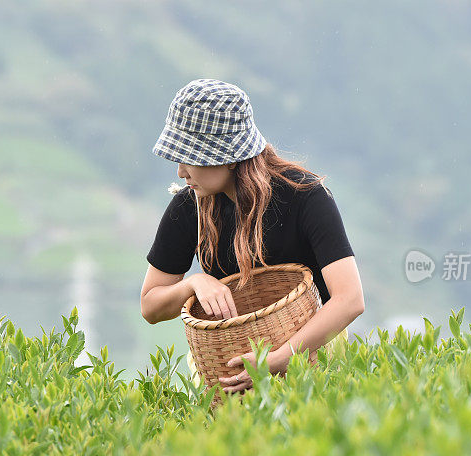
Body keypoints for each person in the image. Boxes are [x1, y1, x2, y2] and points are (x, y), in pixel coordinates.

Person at [140, 78, 365, 394]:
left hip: (311, 356)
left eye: (190, 157)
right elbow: (150, 305)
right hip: (227, 367)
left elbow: (349, 299)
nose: (180, 171)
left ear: (230, 157)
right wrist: (194, 282)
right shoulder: (189, 206)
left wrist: (280, 359)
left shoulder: (305, 196)